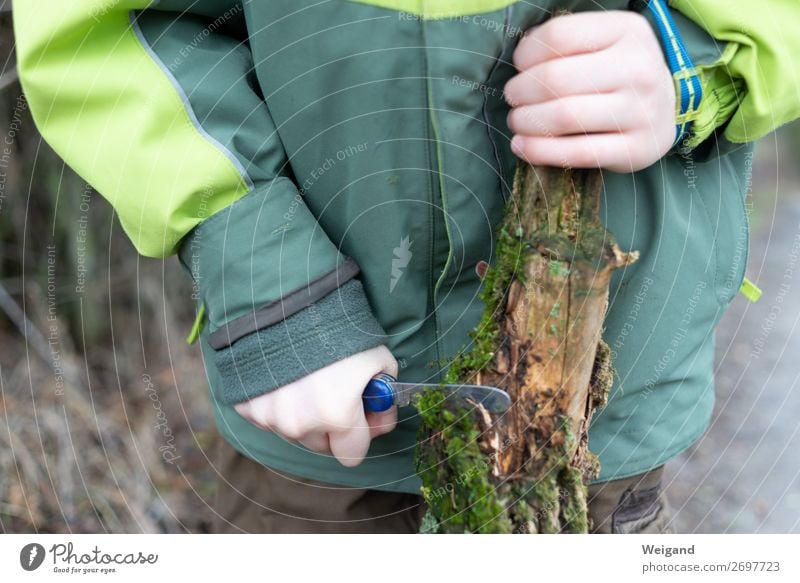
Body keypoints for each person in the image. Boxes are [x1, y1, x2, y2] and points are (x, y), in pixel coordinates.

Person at [14, 0, 800, 533]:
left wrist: (694, 61)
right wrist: (266, 277)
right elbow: (100, 31)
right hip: (311, 433)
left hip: (603, 427)